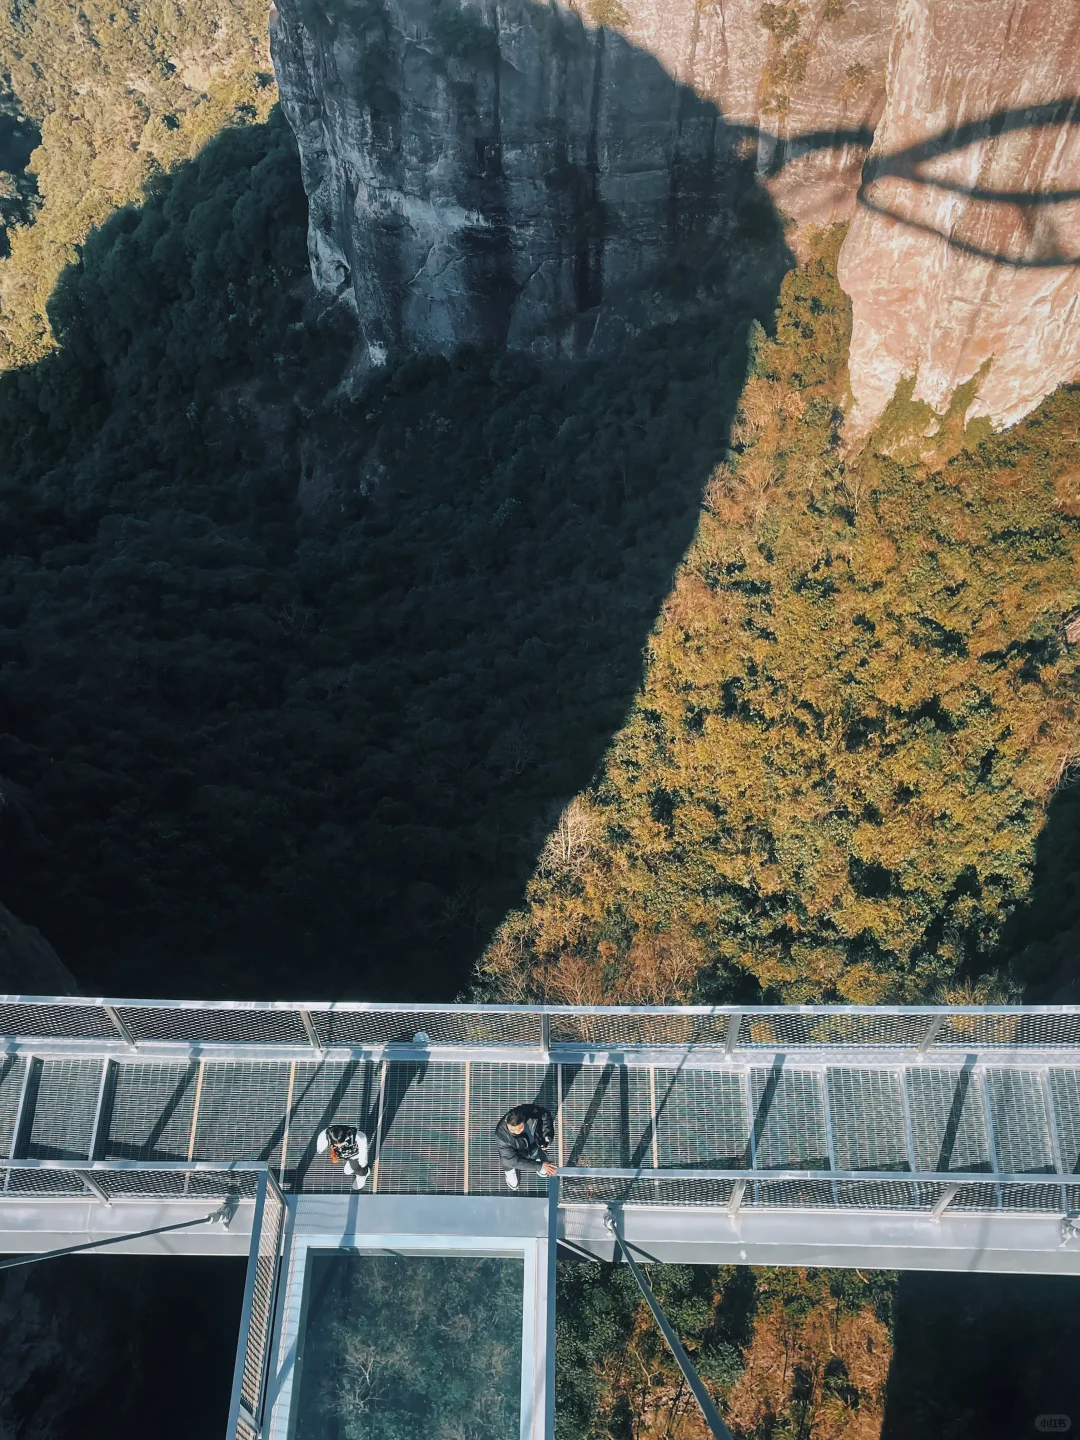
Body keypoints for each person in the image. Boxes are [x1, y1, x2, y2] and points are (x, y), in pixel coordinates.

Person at [495, 1103, 557, 1190]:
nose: (516, 1132)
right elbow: (512, 1160)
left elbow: (545, 1115)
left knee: (534, 1151)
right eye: (512, 1130)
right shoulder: (501, 1135)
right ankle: (510, 1170)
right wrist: (540, 1166)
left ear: (523, 1120)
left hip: (532, 1146)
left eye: (520, 1128)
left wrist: (548, 1135)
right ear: (507, 1123)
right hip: (512, 1158)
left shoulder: (528, 1111)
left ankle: (535, 1159)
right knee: (508, 1163)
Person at [316, 1124, 371, 1189]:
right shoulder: (327, 1135)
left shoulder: (356, 1136)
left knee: (356, 1167)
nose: (339, 1146)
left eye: (341, 1143)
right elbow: (321, 1141)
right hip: (345, 1154)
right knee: (347, 1170)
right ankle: (352, 1162)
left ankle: (363, 1174)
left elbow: (363, 1149)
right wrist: (320, 1148)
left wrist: (363, 1161)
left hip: (355, 1154)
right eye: (336, 1144)